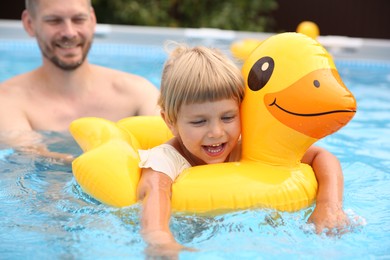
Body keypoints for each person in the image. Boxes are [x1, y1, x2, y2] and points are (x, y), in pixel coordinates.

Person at [136, 44, 350, 256]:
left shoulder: (247, 147)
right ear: (170, 121)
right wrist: (160, 238)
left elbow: (322, 156)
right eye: (200, 121)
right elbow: (155, 191)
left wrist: (329, 205)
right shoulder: (165, 158)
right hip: (191, 234)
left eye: (228, 117)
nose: (216, 132)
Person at [0, 0, 160, 160]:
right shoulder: (8, 101)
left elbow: (171, 147)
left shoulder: (138, 93)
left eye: (78, 19)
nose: (69, 33)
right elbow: (29, 159)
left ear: (92, 19)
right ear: (29, 24)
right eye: (54, 21)